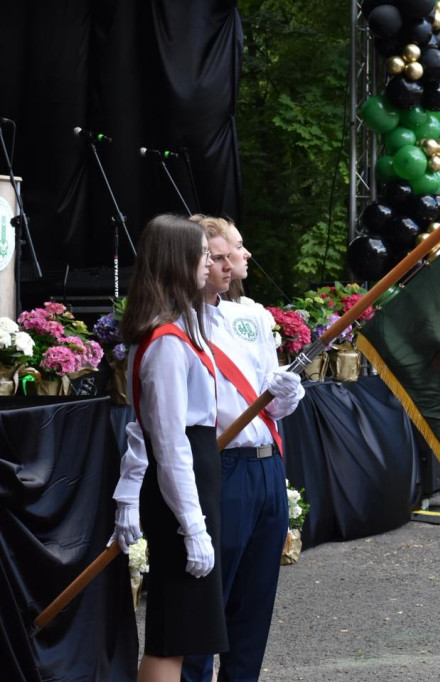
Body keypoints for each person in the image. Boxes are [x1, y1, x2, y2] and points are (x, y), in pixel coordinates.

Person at [181, 216, 304, 682]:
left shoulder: (252, 315)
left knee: (254, 605)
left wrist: (287, 393)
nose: (243, 255)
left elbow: (274, 404)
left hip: (267, 467)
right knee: (207, 600)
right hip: (221, 467)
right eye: (231, 248)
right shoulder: (178, 323)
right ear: (204, 257)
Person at [112, 214, 225, 681]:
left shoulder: (174, 333)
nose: (207, 262)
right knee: (172, 631)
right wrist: (192, 526)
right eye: (201, 253)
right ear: (178, 262)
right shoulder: (165, 343)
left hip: (193, 472)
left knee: (184, 628)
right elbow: (170, 442)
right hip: (182, 481)